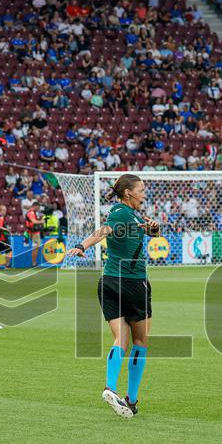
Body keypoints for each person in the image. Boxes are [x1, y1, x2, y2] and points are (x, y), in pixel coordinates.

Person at [67, 174, 160, 418]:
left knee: (121, 339)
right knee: (140, 341)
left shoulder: (130, 216)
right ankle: (130, 398)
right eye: (140, 190)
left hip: (108, 282)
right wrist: (83, 245)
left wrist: (153, 229)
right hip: (132, 283)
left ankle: (111, 386)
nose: (143, 194)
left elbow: (144, 232)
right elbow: (104, 230)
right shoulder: (121, 214)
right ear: (128, 193)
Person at [24, 200, 44, 266]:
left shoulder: (33, 212)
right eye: (38, 207)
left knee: (36, 247)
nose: (38, 209)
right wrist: (41, 221)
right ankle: (33, 263)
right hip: (33, 233)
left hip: (33, 232)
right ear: (35, 206)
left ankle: (34, 262)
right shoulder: (31, 213)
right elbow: (34, 221)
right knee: (35, 247)